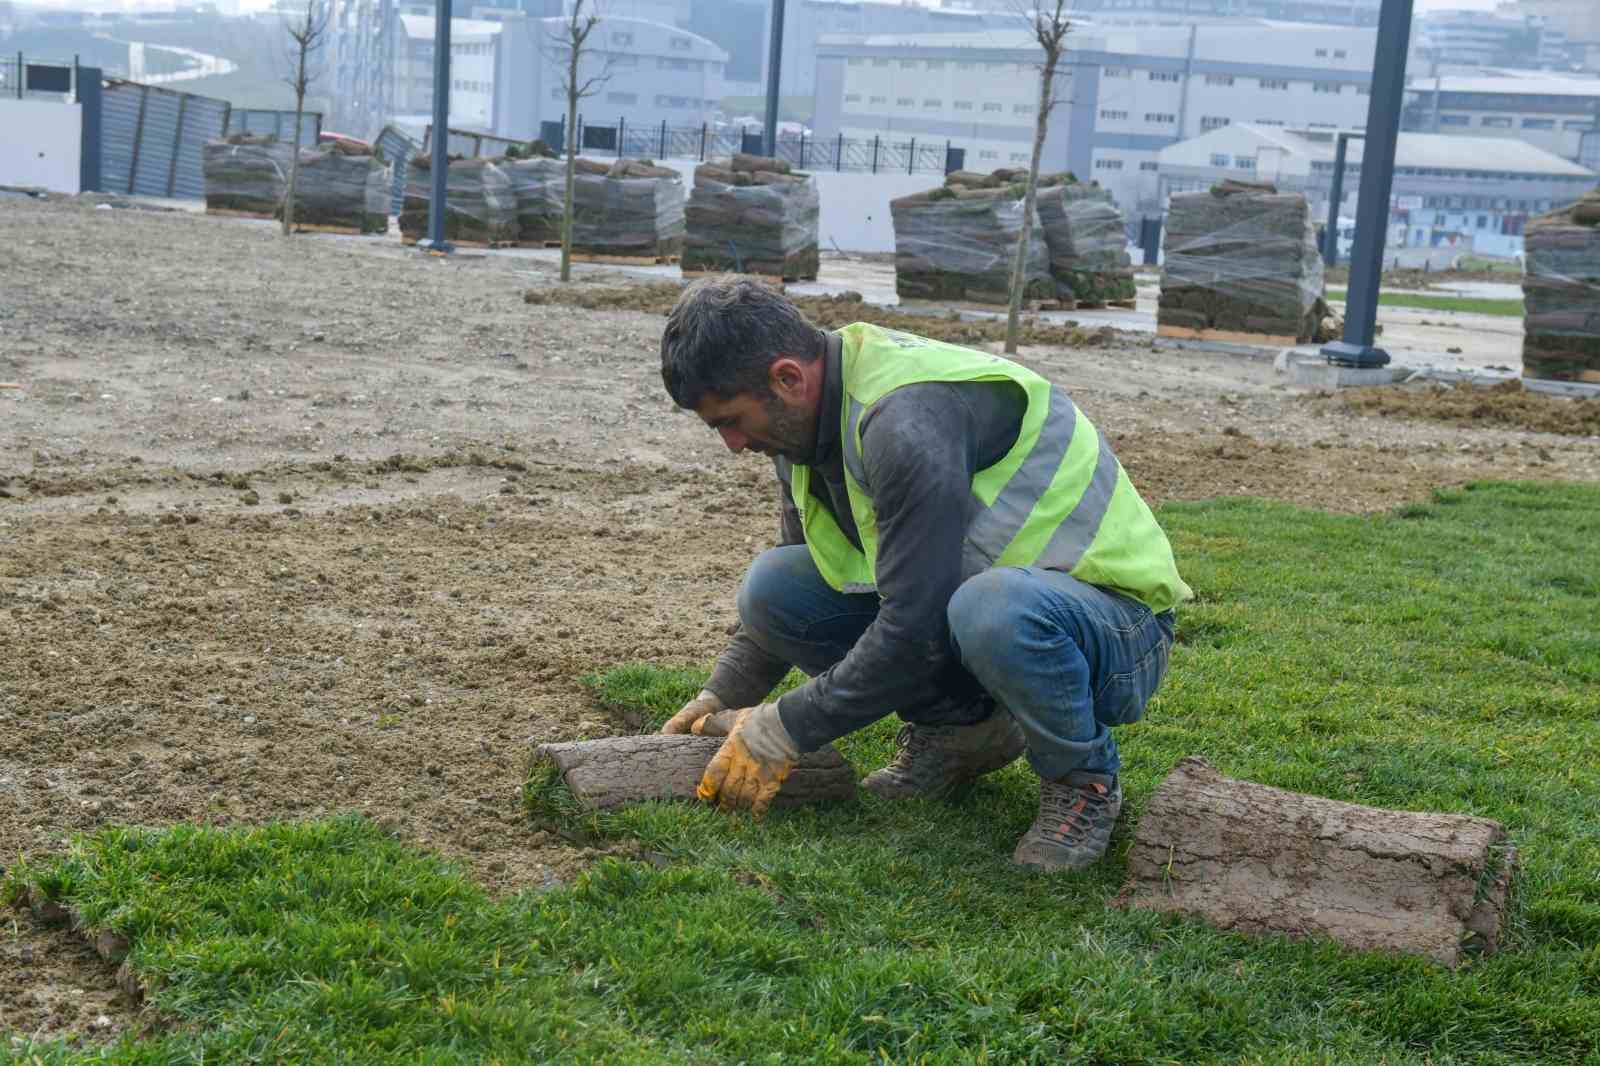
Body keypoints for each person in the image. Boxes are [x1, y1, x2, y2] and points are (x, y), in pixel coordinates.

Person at [657, 277, 1190, 871]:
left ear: (787, 378)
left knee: (992, 609)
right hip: (993, 612)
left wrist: (785, 727)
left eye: (731, 420)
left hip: (1115, 628)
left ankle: (1083, 781)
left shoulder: (903, 420)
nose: (732, 444)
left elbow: (914, 630)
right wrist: (721, 694)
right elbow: (813, 581)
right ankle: (960, 733)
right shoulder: (802, 428)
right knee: (776, 587)